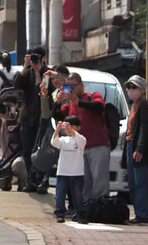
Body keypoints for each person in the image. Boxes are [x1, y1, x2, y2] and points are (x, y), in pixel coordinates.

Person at [57, 73, 110, 203]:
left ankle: (100, 206)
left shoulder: (92, 96)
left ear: (81, 85)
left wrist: (79, 102)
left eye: (74, 86)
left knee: (99, 180)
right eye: (69, 86)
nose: (72, 90)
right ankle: (85, 207)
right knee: (83, 180)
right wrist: (57, 102)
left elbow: (100, 106)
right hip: (79, 148)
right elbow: (57, 115)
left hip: (97, 145)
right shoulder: (69, 105)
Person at [16, 46, 46, 191]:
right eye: (32, 58)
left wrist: (38, 73)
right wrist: (25, 67)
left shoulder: (48, 73)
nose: (35, 61)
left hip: (42, 118)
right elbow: (17, 85)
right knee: (27, 151)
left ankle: (41, 181)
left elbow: (42, 90)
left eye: (37, 58)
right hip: (27, 118)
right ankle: (30, 180)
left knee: (42, 152)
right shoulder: (26, 73)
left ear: (43, 59)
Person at [124, 75, 148, 225]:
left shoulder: (144, 105)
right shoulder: (133, 105)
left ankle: (142, 215)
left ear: (141, 89)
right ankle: (138, 214)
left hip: (137, 148)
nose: (131, 90)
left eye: (134, 87)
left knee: (141, 181)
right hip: (130, 145)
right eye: (129, 87)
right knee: (133, 182)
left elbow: (144, 128)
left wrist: (140, 148)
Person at [51, 115, 87, 223]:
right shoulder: (63, 140)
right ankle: (60, 213)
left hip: (77, 173)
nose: (68, 129)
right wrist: (57, 130)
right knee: (60, 195)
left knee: (78, 196)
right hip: (63, 172)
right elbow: (54, 142)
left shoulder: (81, 138)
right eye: (67, 126)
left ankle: (80, 214)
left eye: (71, 126)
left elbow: (81, 142)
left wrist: (73, 132)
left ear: (78, 127)